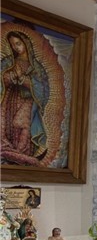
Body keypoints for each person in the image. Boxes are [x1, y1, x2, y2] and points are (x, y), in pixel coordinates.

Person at [1, 30, 52, 163]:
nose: (15, 47)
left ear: (26, 43)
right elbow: (2, 78)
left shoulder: (36, 67)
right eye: (12, 45)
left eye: (18, 43)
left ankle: (21, 152)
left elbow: (43, 88)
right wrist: (9, 76)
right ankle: (10, 152)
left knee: (21, 123)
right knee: (6, 125)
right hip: (10, 99)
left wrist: (23, 79)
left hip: (28, 101)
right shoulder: (8, 62)